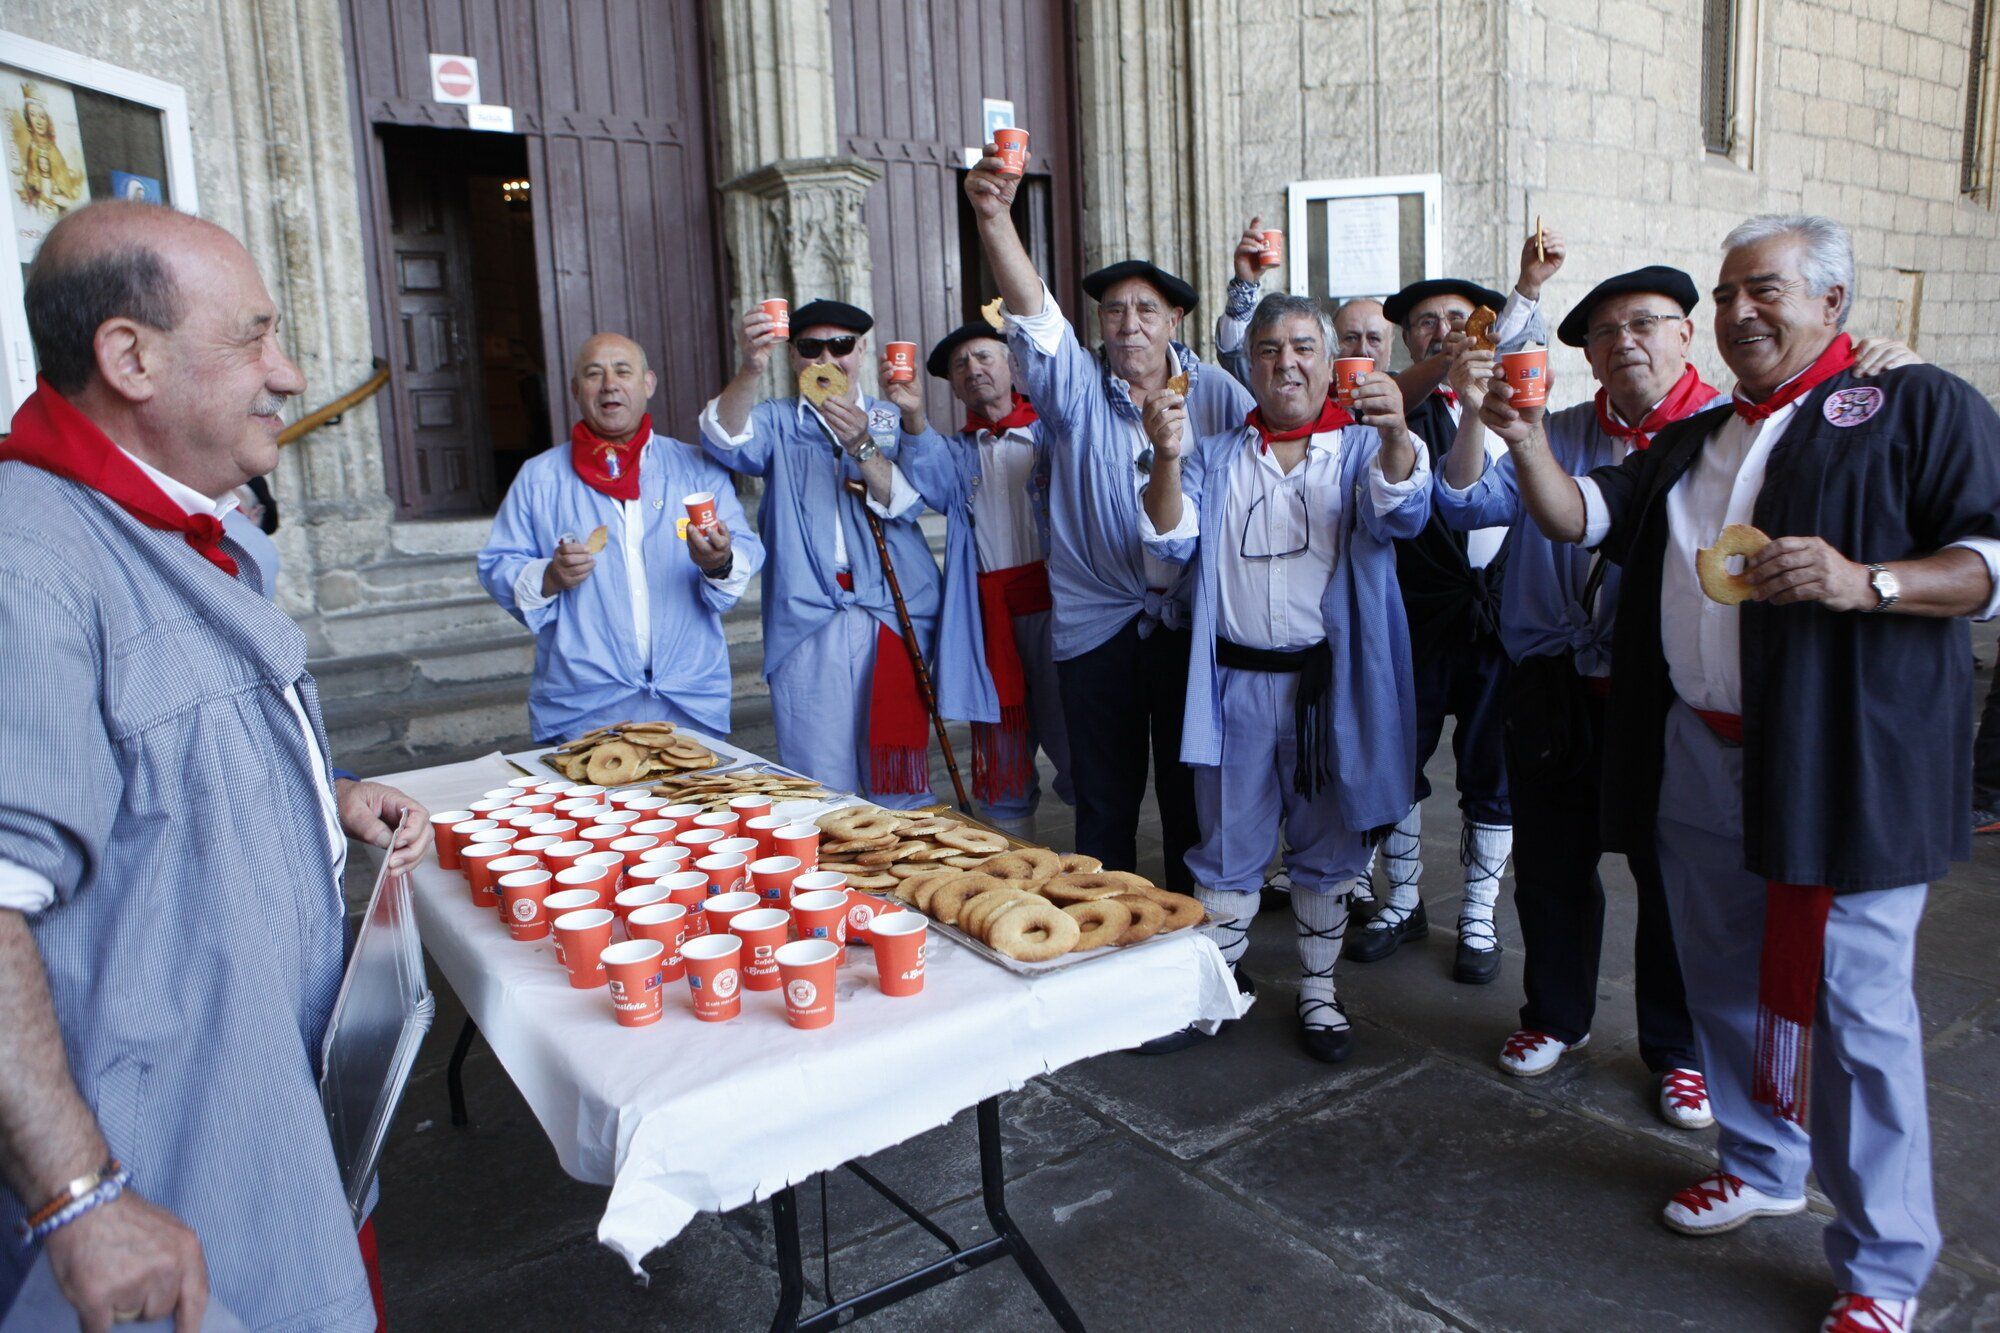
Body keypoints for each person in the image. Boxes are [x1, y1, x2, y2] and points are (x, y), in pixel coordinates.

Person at [1486, 213, 2000, 1333]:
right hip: (1695, 757)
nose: (1735, 312)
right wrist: (1525, 439)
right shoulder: (1696, 437)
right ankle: (1762, 1160)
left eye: (1759, 289)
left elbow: (1985, 563)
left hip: (1844, 767)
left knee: (1857, 1016)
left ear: (1831, 300)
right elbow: (1579, 518)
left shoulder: (1915, 402)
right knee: (1717, 976)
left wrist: (1869, 581)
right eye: (1722, 295)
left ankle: (1883, 1266)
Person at [0, 200, 430, 1331]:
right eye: (252, 337)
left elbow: (144, 757)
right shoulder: (29, 561)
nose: (286, 373)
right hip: (168, 1179)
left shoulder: (195, 528)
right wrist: (79, 1201)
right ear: (128, 358)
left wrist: (310, 793)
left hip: (272, 1125)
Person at [1435, 264, 1719, 1123]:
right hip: (1552, 685)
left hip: (1668, 693)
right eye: (1604, 332)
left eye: (1645, 323)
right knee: (1553, 863)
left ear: (1685, 334)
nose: (1624, 341)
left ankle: (1680, 1047)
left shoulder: (1725, 436)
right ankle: (1557, 1014)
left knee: (1673, 874)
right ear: (1587, 356)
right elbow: (1459, 501)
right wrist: (1475, 420)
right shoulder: (1550, 428)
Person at [1139, 293, 1428, 1059]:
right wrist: (1166, 459)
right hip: (1234, 686)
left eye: (1303, 347)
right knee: (1226, 842)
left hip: (1326, 692)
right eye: (1268, 349)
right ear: (1249, 365)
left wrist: (1397, 429)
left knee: (1326, 845)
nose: (1285, 362)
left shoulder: (1362, 449)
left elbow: (1403, 513)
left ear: (1330, 363)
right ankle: (1218, 990)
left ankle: (1320, 992)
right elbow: (1168, 549)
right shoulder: (1215, 455)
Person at [964, 143, 1253, 898]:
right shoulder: (1076, 390)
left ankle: (1198, 942)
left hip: (1189, 627)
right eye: (1114, 309)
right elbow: (1035, 319)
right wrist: (995, 215)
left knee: (1193, 799)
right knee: (1104, 804)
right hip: (1097, 629)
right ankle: (1108, 941)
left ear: (1175, 320)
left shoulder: (1218, 393)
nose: (1128, 325)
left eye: (1146, 310)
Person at [1345, 234, 1559, 984]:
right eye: (1427, 321)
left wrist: (1526, 288)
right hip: (1416, 615)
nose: (1443, 330)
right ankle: (1404, 901)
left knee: (1491, 768)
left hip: (1502, 616)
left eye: (1458, 318)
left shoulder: (1520, 401)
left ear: (1486, 327)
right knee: (1399, 759)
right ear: (1408, 339)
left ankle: (1477, 912)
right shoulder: (1392, 407)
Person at [699, 299, 987, 808]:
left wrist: (862, 443)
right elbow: (724, 438)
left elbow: (908, 503)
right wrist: (751, 367)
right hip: (811, 613)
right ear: (794, 357)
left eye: (841, 346)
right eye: (811, 348)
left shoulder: (888, 416)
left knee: (896, 772)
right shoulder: (778, 418)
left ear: (861, 352)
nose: (827, 359)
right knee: (818, 776)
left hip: (893, 612)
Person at [477, 332, 764, 743]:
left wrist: (718, 561)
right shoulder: (540, 478)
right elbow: (497, 564)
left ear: (647, 384)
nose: (610, 383)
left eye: (622, 371)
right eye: (594, 375)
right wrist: (550, 576)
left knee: (694, 808)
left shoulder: (696, 469)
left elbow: (744, 549)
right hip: (585, 706)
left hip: (687, 700)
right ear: (576, 391)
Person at [902, 322, 1073, 829]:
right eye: (960, 365)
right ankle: (1012, 878)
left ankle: (1101, 875)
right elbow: (929, 483)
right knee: (1002, 762)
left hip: (1059, 612)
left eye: (984, 357)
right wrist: (913, 417)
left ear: (1012, 365)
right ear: (954, 387)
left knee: (1080, 746)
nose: (973, 369)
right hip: (990, 623)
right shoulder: (956, 453)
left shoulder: (1053, 432)